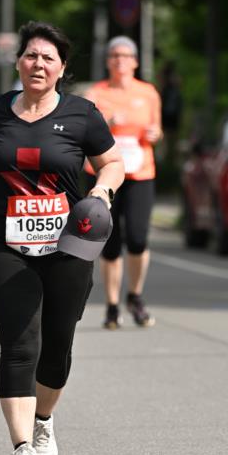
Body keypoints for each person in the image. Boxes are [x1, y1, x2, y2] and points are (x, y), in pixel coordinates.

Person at [0, 21, 123, 455]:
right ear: (18, 62)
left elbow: (113, 163)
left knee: (58, 341)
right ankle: (22, 448)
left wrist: (102, 191)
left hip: (70, 242)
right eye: (30, 55)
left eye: (48, 58)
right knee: (20, 340)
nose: (38, 64)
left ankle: (44, 423)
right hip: (5, 242)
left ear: (62, 68)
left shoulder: (82, 114)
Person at [86, 36, 163, 330]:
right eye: (115, 56)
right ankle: (111, 305)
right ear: (108, 61)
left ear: (135, 61)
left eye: (125, 56)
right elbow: (86, 134)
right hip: (105, 175)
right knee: (110, 242)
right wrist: (106, 120)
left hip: (141, 172)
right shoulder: (97, 93)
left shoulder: (149, 93)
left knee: (139, 237)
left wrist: (156, 135)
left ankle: (135, 295)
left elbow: (156, 130)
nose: (120, 61)